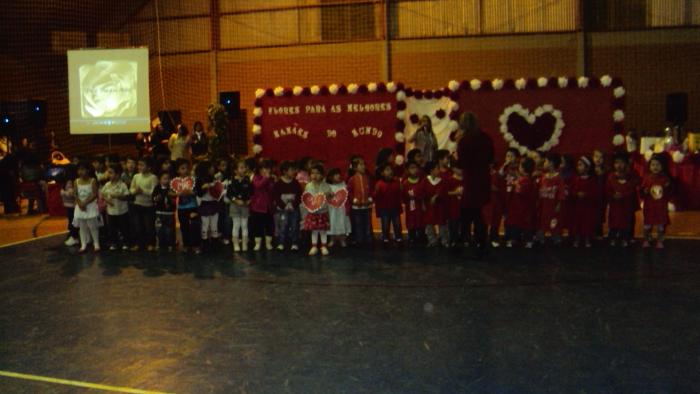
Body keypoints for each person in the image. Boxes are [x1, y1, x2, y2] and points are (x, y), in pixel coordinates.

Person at [456, 112, 494, 257]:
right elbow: (491, 157)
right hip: (483, 177)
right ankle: (479, 241)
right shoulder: (485, 138)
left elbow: (463, 163)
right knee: (476, 210)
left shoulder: (464, 141)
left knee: (469, 210)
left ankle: (465, 239)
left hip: (471, 178)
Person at [606, 152, 637, 247]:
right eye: (616, 163)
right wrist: (613, 195)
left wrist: (623, 195)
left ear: (626, 164)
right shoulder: (611, 177)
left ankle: (625, 238)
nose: (619, 165)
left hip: (626, 205)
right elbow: (607, 189)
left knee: (625, 222)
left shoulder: (630, 176)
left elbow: (632, 189)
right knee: (614, 221)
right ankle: (613, 237)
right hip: (615, 205)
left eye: (621, 163)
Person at [505, 157, 537, 248]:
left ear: (523, 168)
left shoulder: (527, 181)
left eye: (520, 166)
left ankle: (526, 240)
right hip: (517, 207)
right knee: (516, 224)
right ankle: (516, 239)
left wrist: (515, 183)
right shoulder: (524, 179)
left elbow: (521, 191)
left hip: (521, 208)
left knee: (521, 224)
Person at [641, 154, 672, 249]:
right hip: (649, 206)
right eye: (653, 165)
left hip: (660, 207)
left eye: (658, 165)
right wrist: (644, 191)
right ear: (649, 166)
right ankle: (646, 239)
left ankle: (660, 240)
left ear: (662, 166)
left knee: (660, 225)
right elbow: (642, 190)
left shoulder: (665, 179)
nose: (655, 167)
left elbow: (669, 192)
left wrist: (668, 187)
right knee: (647, 225)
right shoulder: (647, 178)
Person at [536, 153, 565, 245]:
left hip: (553, 204)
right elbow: (539, 189)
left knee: (554, 220)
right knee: (543, 220)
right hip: (544, 204)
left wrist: (559, 204)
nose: (544, 163)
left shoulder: (558, 178)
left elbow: (561, 192)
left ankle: (555, 236)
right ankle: (541, 236)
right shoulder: (543, 177)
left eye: (546, 161)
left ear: (551, 163)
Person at [272, 161, 302, 251]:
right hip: (282, 209)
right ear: (284, 171)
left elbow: (299, 196)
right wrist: (283, 206)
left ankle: (294, 243)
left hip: (294, 209)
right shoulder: (278, 183)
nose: (293, 172)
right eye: (291, 170)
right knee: (283, 225)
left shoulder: (296, 183)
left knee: (294, 225)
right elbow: (276, 197)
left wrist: (293, 205)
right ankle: (281, 243)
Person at [129, 157, 158, 252]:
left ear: (149, 167)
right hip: (137, 204)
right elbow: (131, 189)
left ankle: (150, 243)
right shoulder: (136, 176)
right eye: (139, 165)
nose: (139, 167)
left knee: (149, 226)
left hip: (148, 206)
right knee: (138, 225)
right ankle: (139, 243)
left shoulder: (153, 177)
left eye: (142, 165)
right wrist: (135, 192)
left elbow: (154, 192)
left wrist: (142, 191)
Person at [303, 165, 332, 256]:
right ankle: (314, 246)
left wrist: (330, 194)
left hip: (322, 211)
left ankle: (323, 246)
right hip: (313, 212)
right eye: (312, 173)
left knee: (323, 230)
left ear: (322, 175)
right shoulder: (308, 185)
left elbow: (330, 196)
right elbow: (307, 197)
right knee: (314, 230)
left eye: (318, 173)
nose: (315, 176)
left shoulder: (326, 185)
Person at [173, 159, 200, 254]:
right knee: (184, 227)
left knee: (194, 226)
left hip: (192, 206)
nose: (185, 170)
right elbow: (171, 193)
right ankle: (186, 245)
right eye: (182, 168)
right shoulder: (175, 181)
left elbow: (197, 191)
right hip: (181, 208)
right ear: (178, 170)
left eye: (187, 168)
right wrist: (178, 193)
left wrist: (190, 192)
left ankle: (196, 245)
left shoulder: (193, 179)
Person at [73, 161, 101, 253]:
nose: (80, 172)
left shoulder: (92, 181)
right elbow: (75, 194)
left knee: (93, 225)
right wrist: (80, 204)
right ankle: (83, 245)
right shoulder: (76, 181)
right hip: (80, 207)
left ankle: (96, 244)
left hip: (90, 206)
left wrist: (85, 203)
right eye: (79, 170)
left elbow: (94, 194)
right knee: (82, 226)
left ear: (88, 170)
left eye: (83, 169)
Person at [570, 156, 598, 248]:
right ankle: (577, 239)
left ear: (587, 167)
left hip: (588, 207)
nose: (578, 167)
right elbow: (572, 190)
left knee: (587, 223)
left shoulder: (592, 180)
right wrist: (576, 194)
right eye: (578, 165)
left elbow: (594, 192)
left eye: (581, 165)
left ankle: (587, 239)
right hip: (577, 206)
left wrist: (586, 194)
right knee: (577, 223)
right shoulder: (575, 179)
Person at [101, 164, 130, 251]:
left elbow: (126, 196)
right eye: (108, 173)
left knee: (124, 227)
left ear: (118, 174)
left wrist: (118, 196)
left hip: (122, 211)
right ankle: (114, 243)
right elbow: (102, 195)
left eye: (111, 173)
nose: (109, 175)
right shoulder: (107, 185)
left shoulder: (122, 185)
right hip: (111, 211)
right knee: (112, 228)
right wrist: (107, 200)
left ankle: (125, 242)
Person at [194, 160, 221, 250]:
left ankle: (215, 240)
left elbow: (218, 191)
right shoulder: (199, 180)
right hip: (205, 204)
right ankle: (205, 242)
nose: (213, 168)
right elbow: (198, 193)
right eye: (211, 167)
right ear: (206, 169)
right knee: (205, 224)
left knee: (214, 224)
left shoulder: (214, 178)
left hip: (214, 203)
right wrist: (204, 188)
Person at [373, 164, 403, 244]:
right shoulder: (379, 184)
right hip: (384, 209)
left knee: (397, 224)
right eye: (387, 170)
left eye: (390, 170)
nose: (390, 171)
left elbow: (400, 193)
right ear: (382, 173)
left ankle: (398, 237)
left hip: (395, 207)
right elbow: (375, 196)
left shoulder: (396, 182)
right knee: (385, 225)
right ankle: (385, 237)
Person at [250, 160, 275, 251]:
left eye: (268, 168)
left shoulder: (271, 178)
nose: (266, 170)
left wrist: (270, 180)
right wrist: (266, 178)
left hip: (268, 207)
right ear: (259, 169)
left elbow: (272, 190)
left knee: (269, 225)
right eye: (264, 168)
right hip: (258, 207)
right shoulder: (256, 177)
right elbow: (258, 186)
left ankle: (268, 243)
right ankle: (258, 244)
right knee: (258, 226)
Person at [227, 159, 252, 252]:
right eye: (241, 168)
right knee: (236, 225)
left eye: (244, 167)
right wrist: (236, 200)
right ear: (235, 170)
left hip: (245, 206)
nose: (244, 169)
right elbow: (229, 194)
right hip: (235, 206)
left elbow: (251, 192)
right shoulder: (231, 181)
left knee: (244, 225)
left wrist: (249, 200)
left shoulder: (247, 180)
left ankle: (245, 243)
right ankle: (236, 243)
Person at [347, 156, 373, 245]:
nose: (363, 166)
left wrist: (369, 198)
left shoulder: (367, 178)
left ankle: (368, 239)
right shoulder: (352, 179)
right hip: (356, 208)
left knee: (368, 223)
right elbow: (349, 192)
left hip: (366, 206)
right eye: (361, 165)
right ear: (355, 168)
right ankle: (359, 240)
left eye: (364, 164)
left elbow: (370, 190)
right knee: (358, 224)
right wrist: (354, 200)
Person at [423, 161, 448, 247]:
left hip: (440, 206)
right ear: (431, 170)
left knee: (442, 223)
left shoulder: (441, 180)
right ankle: (432, 240)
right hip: (429, 206)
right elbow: (422, 193)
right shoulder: (425, 180)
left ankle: (444, 240)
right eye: (437, 168)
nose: (439, 170)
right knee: (429, 224)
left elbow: (443, 191)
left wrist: (437, 196)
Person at [327, 168, 351, 248]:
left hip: (342, 209)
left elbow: (347, 196)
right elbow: (325, 197)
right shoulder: (328, 187)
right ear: (330, 177)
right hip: (332, 210)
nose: (338, 176)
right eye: (336, 175)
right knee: (332, 223)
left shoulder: (343, 185)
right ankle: (332, 239)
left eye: (339, 174)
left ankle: (342, 239)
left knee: (342, 222)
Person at [402, 161, 425, 244]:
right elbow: (403, 196)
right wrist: (409, 197)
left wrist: (419, 199)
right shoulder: (405, 183)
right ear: (408, 170)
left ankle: (421, 236)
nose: (414, 170)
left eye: (415, 168)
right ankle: (411, 237)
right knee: (411, 221)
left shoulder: (422, 181)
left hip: (419, 206)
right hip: (410, 207)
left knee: (420, 221)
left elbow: (424, 194)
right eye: (411, 168)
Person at [153, 171, 177, 251]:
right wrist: (157, 198)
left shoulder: (172, 188)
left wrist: (172, 197)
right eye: (164, 179)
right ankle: (161, 243)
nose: (167, 180)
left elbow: (175, 200)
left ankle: (170, 244)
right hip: (159, 212)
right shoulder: (157, 188)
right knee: (159, 229)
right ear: (160, 180)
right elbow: (153, 198)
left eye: (168, 179)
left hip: (169, 212)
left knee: (169, 230)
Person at [446, 162, 464, 247]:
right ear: (454, 169)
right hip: (453, 206)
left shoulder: (466, 179)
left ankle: (463, 239)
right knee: (453, 224)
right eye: (459, 169)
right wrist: (455, 192)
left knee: (463, 223)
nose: (461, 170)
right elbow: (446, 193)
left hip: (463, 206)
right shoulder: (450, 180)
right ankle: (453, 240)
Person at [60, 166, 79, 246]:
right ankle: (73, 235)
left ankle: (74, 237)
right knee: (71, 221)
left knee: (73, 222)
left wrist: (63, 192)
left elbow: (71, 193)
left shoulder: (72, 181)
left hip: (72, 205)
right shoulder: (68, 181)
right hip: (68, 205)